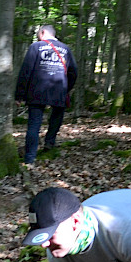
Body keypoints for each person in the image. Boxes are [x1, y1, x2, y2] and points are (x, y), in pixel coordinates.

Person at [15, 24, 77, 164]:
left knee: (34, 125)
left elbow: (26, 71)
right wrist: (67, 88)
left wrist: (19, 95)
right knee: (56, 118)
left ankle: (30, 158)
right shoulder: (65, 49)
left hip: (37, 90)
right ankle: (50, 142)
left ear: (42, 33)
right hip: (58, 89)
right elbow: (74, 72)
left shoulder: (36, 47)